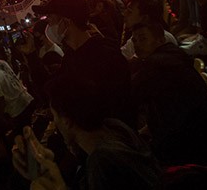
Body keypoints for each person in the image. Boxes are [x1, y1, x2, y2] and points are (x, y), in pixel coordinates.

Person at [12, 74, 161, 190]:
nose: (54, 123)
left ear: (66, 121)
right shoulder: (114, 127)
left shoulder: (102, 161)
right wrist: (45, 170)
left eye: (54, 116)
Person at [130, 23, 207, 168]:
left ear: (160, 40)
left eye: (143, 38)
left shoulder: (158, 63)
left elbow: (129, 97)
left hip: (192, 153)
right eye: (134, 40)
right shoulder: (174, 56)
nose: (137, 44)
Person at [33, 0, 135, 127]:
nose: (48, 26)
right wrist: (31, 55)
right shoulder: (71, 57)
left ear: (66, 22)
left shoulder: (105, 55)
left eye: (51, 19)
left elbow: (119, 106)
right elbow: (50, 90)